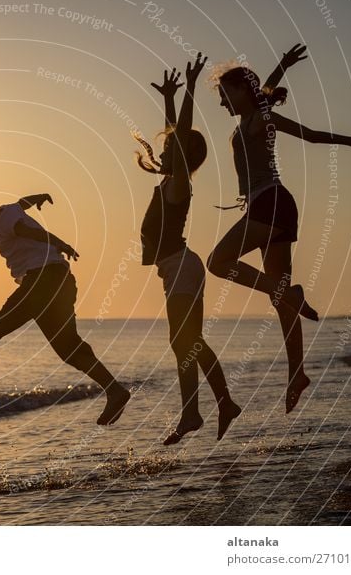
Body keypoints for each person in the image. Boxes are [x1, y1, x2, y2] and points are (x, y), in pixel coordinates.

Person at [207, 44, 351, 413]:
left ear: (239, 90)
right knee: (282, 299)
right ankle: (296, 374)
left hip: (271, 203)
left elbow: (311, 135)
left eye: (225, 95)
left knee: (218, 262)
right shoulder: (252, 117)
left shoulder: (259, 120)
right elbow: (262, 94)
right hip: (270, 205)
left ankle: (291, 293)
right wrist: (282, 67)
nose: (223, 104)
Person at [0, 185, 132, 425]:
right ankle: (115, 390)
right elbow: (21, 204)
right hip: (60, 281)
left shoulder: (8, 223)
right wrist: (36, 198)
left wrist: (61, 243)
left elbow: (29, 231)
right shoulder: (7, 212)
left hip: (42, 281)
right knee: (68, 347)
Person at [136, 53, 241, 445]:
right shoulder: (169, 183)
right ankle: (218, 405)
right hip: (177, 269)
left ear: (181, 158)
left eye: (170, 151)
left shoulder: (180, 185)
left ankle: (194, 413)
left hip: (182, 268)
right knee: (187, 342)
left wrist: (191, 89)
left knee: (184, 342)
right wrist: (168, 96)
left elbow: (178, 138)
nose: (161, 153)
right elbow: (173, 135)